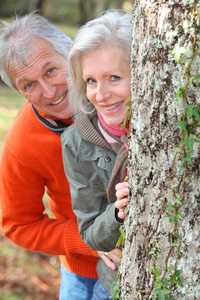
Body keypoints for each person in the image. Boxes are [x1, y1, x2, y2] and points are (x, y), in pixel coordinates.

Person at [0, 12, 118, 300]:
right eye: (28, 85)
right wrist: (87, 241)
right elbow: (18, 225)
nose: (49, 91)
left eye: (51, 70)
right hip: (81, 272)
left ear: (71, 52)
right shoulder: (21, 142)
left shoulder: (117, 95)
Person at [61, 10, 132, 299]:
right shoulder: (75, 142)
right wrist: (117, 213)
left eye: (113, 78)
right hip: (116, 279)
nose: (99, 95)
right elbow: (89, 231)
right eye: (91, 80)